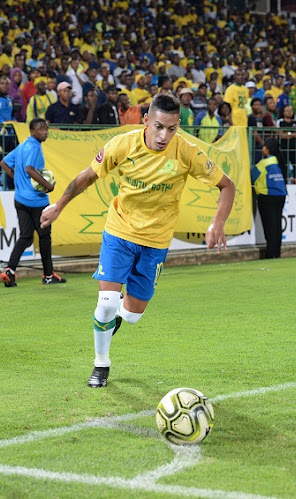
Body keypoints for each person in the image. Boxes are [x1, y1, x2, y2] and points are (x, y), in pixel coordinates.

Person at [40, 94, 235, 388]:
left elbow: (227, 185)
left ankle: (120, 311)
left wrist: (217, 222)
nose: (163, 136)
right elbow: (87, 176)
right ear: (146, 120)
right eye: (158, 127)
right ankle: (101, 363)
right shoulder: (123, 144)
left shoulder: (187, 152)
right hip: (119, 232)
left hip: (156, 242)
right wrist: (59, 205)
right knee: (105, 304)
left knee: (130, 316)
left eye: (171, 129)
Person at [0, 118, 66, 287]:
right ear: (32, 131)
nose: (46, 132)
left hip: (20, 199)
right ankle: (48, 275)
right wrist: (48, 186)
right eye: (42, 129)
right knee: (44, 237)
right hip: (37, 201)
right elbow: (30, 169)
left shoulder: (22, 146)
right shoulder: (35, 147)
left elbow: (4, 163)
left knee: (25, 237)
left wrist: (18, 181)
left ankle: (10, 270)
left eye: (46, 128)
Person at [251, 137, 287, 259]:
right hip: (281, 195)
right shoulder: (279, 161)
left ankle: (271, 254)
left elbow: (252, 175)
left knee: (269, 227)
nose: (263, 148)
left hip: (268, 196)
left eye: (264, 146)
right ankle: (276, 253)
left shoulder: (264, 163)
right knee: (277, 226)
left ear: (268, 149)